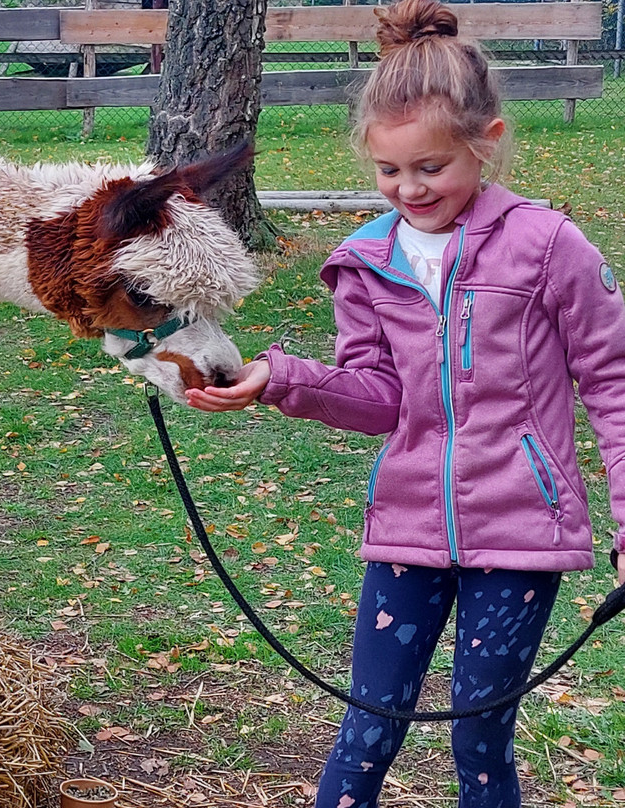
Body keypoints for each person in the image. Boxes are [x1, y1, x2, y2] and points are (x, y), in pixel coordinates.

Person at [186, 0, 625, 805]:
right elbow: (381, 396)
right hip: (407, 528)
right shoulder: (366, 261)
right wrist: (279, 379)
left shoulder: (549, 246)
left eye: (431, 168)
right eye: (390, 171)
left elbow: (614, 384)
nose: (409, 189)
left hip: (522, 532)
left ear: (485, 145)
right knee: (367, 723)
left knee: (477, 731)